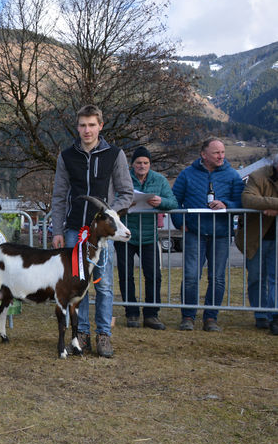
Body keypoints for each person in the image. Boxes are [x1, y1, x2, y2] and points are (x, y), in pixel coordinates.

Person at [51, 105, 133, 358]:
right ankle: (82, 333)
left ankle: (104, 336)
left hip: (102, 234)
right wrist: (57, 229)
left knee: (105, 285)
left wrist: (107, 213)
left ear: (100, 125)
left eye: (92, 125)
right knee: (79, 285)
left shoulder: (115, 154)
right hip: (75, 230)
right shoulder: (66, 156)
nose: (87, 130)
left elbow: (127, 194)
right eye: (83, 125)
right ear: (77, 127)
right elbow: (59, 196)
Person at [172, 138, 244, 332]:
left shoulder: (232, 175)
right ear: (204, 154)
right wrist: (180, 223)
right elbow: (174, 200)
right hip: (194, 233)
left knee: (218, 277)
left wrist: (227, 205)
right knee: (191, 276)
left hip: (220, 234)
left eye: (222, 152)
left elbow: (241, 201)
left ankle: (211, 318)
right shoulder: (187, 174)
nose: (221, 156)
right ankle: (188, 317)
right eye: (216, 152)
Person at [115, 146, 177, 330]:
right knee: (126, 276)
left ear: (150, 164)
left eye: (146, 163)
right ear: (132, 164)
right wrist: (125, 203)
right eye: (138, 163)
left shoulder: (159, 180)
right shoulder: (122, 177)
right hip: (126, 234)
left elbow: (173, 202)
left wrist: (161, 202)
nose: (142, 166)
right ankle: (131, 313)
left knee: (154, 276)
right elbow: (113, 200)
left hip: (149, 235)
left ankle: (151, 314)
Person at [235, 153, 278, 335]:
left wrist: (271, 206)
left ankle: (274, 316)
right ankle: (260, 315)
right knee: (256, 278)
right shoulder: (258, 176)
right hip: (257, 237)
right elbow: (248, 199)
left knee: (275, 278)